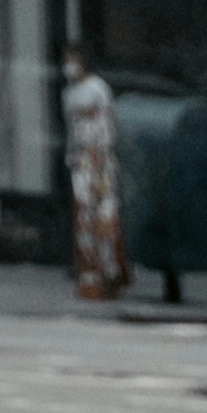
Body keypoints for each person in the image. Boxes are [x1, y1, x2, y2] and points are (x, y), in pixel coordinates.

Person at [62, 44, 128, 302]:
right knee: (84, 219)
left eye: (72, 60)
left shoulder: (98, 89)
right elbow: (72, 128)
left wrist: (102, 159)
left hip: (100, 161)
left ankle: (109, 272)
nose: (69, 66)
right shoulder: (69, 94)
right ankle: (90, 273)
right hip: (81, 162)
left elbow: (107, 124)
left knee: (105, 218)